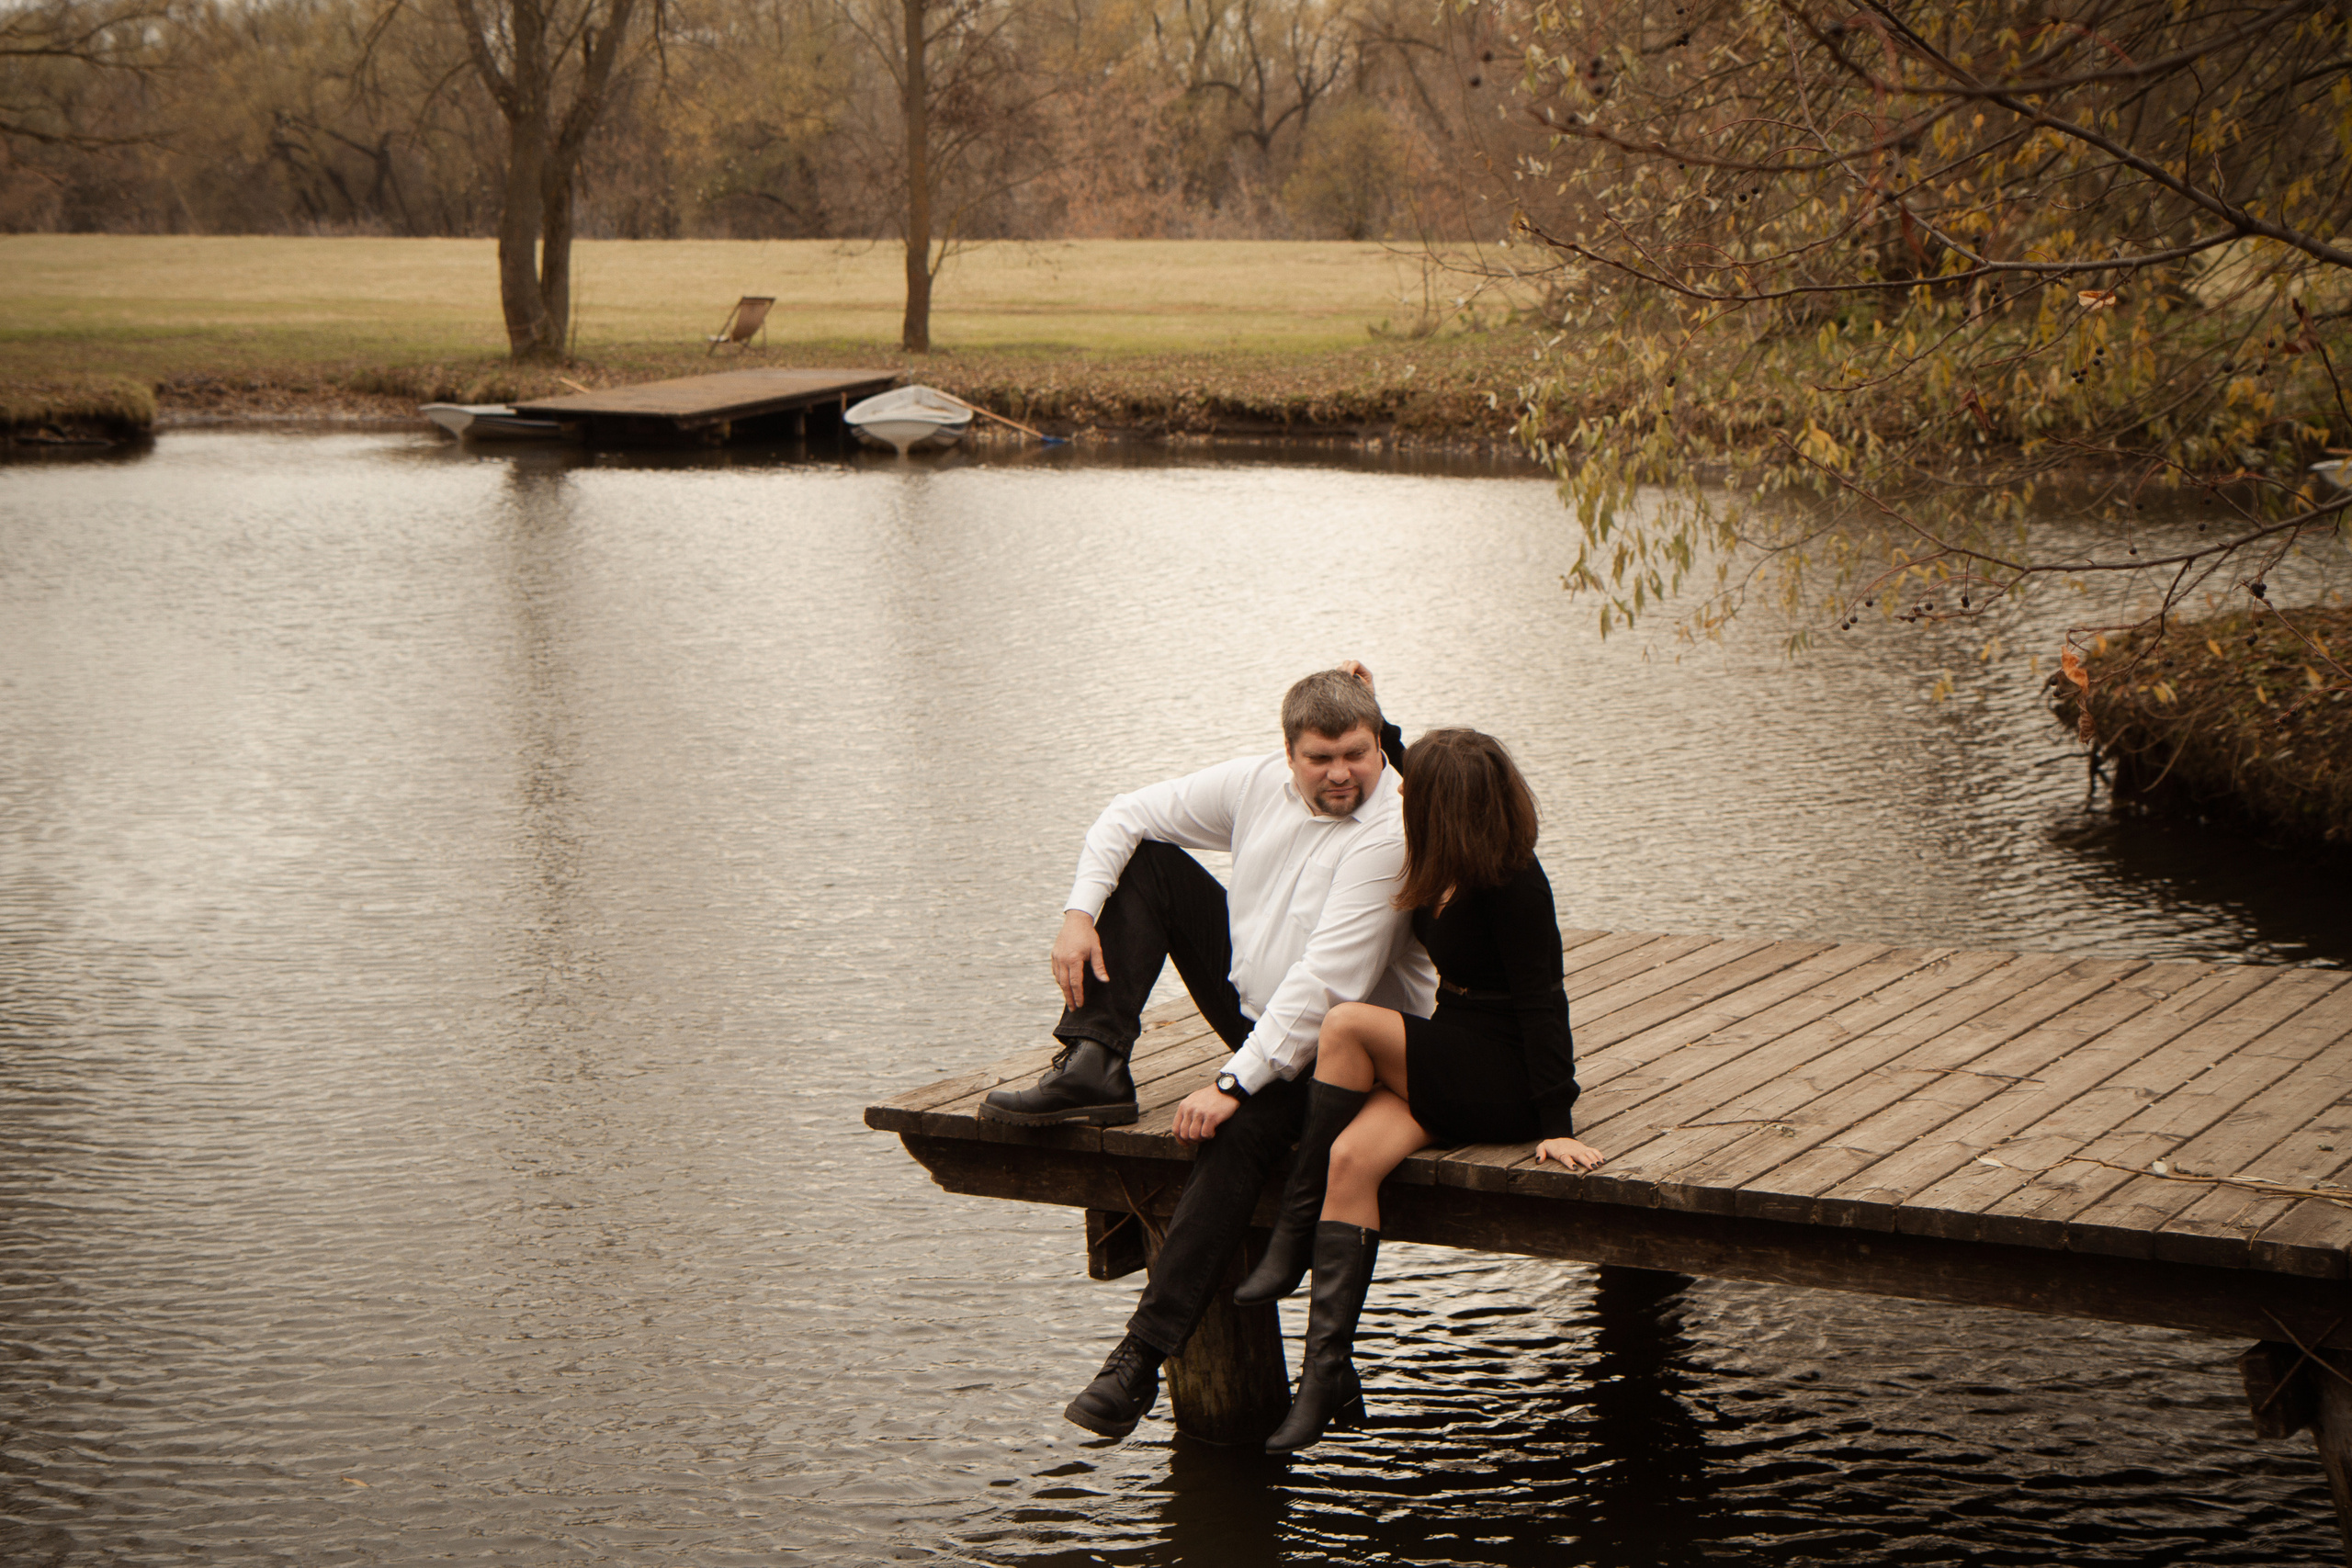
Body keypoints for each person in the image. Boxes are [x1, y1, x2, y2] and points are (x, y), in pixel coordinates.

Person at [979, 664, 1437, 1439]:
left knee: (1232, 1138)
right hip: (1264, 1011)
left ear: (1376, 744)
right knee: (1149, 859)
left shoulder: (1392, 830)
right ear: (1287, 752)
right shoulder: (1256, 784)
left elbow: (1326, 988)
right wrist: (1077, 912)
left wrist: (1232, 1081)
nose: (1340, 774)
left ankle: (1139, 1358)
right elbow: (1125, 813)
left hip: (1354, 1052)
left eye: (1356, 753)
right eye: (1319, 757)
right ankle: (1095, 1059)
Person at [1229, 728, 1606, 1455]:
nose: (1399, 789)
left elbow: (1543, 999)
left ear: (1447, 805)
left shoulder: (1514, 879)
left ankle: (1291, 1238)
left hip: (1501, 1077)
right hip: (1451, 1052)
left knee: (1346, 1025)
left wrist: (1554, 1118)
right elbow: (1423, 764)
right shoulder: (1447, 853)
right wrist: (1382, 719)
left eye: (1414, 786)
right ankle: (1326, 1376)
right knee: (1351, 1159)